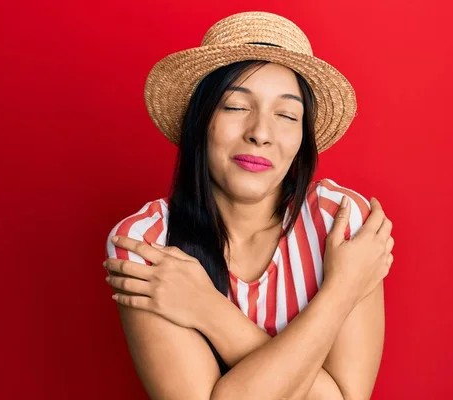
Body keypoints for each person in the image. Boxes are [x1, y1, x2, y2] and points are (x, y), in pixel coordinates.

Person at [103, 11, 394, 400]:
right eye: (236, 107)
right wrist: (343, 289)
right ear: (200, 122)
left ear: (301, 138)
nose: (260, 133)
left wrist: (207, 310)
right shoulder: (147, 244)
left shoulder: (338, 222)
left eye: (287, 115)